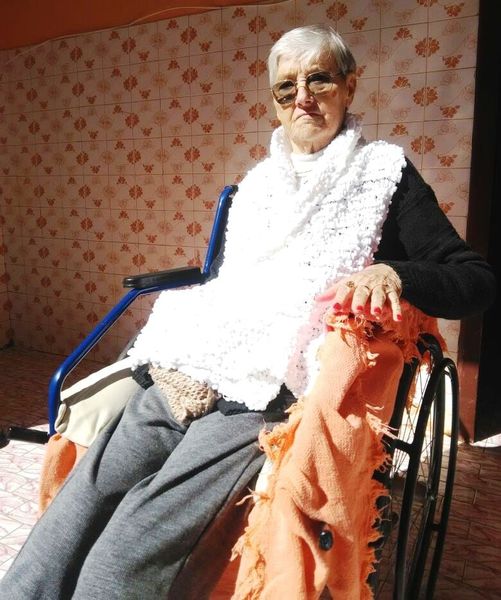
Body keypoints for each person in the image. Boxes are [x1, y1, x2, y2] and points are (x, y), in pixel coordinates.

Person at [0, 24, 495, 600]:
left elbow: (474, 279)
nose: (302, 98)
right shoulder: (258, 184)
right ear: (275, 101)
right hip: (194, 363)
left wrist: (395, 272)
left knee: (132, 541)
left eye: (318, 79)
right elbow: (230, 280)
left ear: (349, 86)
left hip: (270, 384)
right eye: (286, 88)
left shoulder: (385, 174)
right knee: (85, 496)